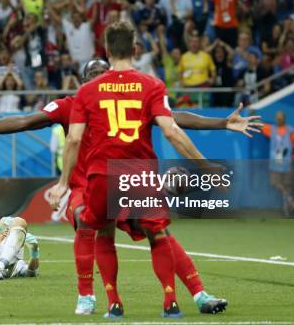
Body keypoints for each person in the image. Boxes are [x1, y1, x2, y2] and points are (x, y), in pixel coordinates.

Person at [0, 58, 261, 316]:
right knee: (88, 220)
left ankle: (199, 293)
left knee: (157, 231)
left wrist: (221, 122)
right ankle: (93, 298)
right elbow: (26, 121)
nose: (99, 79)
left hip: (125, 180)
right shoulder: (71, 105)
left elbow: (174, 118)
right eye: (93, 75)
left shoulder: (131, 100)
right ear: (84, 82)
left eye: (103, 73)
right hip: (87, 186)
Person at [47, 21, 227, 318]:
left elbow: (74, 139)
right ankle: (170, 303)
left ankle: (113, 304)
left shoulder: (87, 91)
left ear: (106, 49)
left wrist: (63, 182)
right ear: (134, 49)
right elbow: (171, 131)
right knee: (159, 236)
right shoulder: (152, 85)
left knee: (102, 233)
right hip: (138, 173)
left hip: (102, 175)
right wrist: (204, 166)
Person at [262, 111, 294, 216]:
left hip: (288, 163)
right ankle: (289, 199)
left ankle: (288, 209)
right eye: (277, 118)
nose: (279, 120)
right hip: (276, 163)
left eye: (281, 118)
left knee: (289, 185)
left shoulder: (291, 131)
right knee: (275, 183)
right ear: (275, 118)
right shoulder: (271, 129)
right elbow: (259, 125)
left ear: (284, 118)